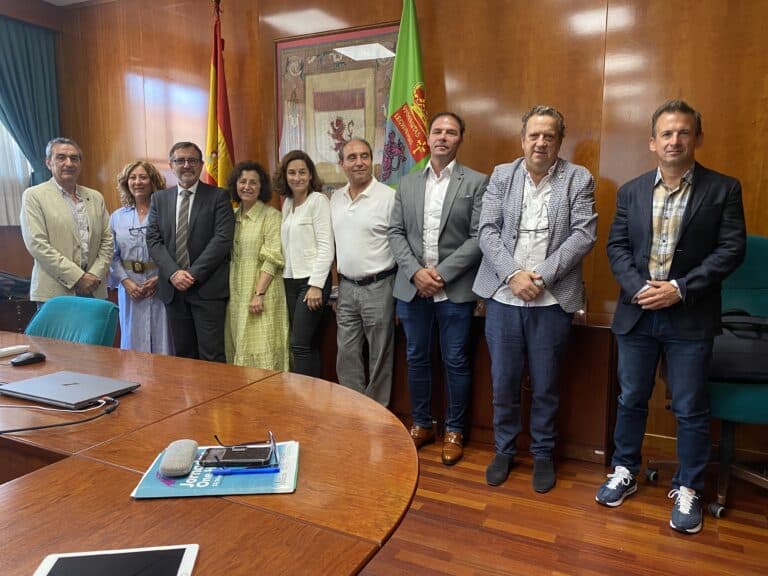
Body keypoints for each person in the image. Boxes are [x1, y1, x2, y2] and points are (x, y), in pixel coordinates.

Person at [596, 100, 746, 534]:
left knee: (690, 407)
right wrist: (639, 288)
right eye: (666, 133)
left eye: (683, 132)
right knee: (630, 398)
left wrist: (679, 289)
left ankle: (689, 487)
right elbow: (617, 248)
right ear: (652, 142)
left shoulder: (724, 189)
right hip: (638, 313)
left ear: (697, 139)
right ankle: (624, 469)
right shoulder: (631, 190)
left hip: (690, 316)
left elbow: (730, 250)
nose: (674, 140)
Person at [473, 105, 597, 493]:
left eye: (549, 136)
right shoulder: (501, 176)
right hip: (503, 298)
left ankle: (543, 453)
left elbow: (583, 235)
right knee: (504, 381)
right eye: (534, 135)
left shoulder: (579, 178)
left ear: (560, 140)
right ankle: (504, 450)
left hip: (552, 299)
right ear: (522, 138)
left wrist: (539, 277)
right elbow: (487, 230)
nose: (540, 142)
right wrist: (513, 274)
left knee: (546, 384)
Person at [388, 112, 488, 465]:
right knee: (416, 358)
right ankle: (422, 424)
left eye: (451, 132)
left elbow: (479, 237)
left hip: (455, 290)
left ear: (461, 138)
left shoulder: (477, 182)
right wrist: (416, 273)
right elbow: (395, 233)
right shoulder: (407, 183)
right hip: (412, 290)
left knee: (456, 361)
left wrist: (440, 274)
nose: (443, 137)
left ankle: (455, 430)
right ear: (427, 138)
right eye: (437, 131)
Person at [146, 141, 234, 362]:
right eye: (180, 160)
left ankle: (215, 397)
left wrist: (192, 274)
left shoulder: (219, 196)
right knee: (183, 356)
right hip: (174, 291)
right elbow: (154, 240)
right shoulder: (159, 199)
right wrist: (174, 273)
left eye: (192, 160)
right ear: (171, 165)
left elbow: (222, 240)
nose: (186, 165)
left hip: (207, 289)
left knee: (211, 355)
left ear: (202, 164)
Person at [331, 138, 397, 406]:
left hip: (379, 286)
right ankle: (354, 410)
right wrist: (335, 288)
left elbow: (401, 245)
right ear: (342, 164)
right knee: (346, 354)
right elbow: (333, 246)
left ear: (373, 160)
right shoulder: (335, 198)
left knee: (380, 357)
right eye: (352, 157)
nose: (359, 162)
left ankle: (378, 414)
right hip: (346, 289)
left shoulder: (389, 197)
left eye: (365, 156)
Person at [20, 137, 112, 302]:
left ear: (80, 164)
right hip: (54, 293)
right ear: (48, 162)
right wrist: (78, 277)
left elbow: (107, 241)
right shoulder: (34, 196)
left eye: (74, 158)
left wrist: (94, 275)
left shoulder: (95, 197)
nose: (69, 163)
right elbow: (37, 244)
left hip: (94, 289)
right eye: (61, 157)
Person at [225, 161, 290, 370]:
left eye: (253, 182)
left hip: (263, 292)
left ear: (261, 187)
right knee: (238, 346)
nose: (247, 186)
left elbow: (273, 258)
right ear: (235, 185)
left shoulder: (271, 216)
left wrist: (259, 293)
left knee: (263, 347)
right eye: (242, 181)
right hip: (236, 293)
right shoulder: (231, 217)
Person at [275, 150, 334, 377]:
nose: (297, 177)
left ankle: (306, 402)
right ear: (285, 176)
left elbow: (326, 246)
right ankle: (313, 400)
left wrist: (316, 284)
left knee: (299, 344)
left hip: (311, 282)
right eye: (291, 172)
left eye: (302, 172)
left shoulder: (318, 201)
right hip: (290, 280)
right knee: (306, 345)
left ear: (310, 176)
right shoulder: (287, 203)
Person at [109, 161, 173, 354]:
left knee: (164, 337)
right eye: (133, 178)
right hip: (130, 286)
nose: (138, 182)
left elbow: (175, 250)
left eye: (143, 177)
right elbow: (110, 255)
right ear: (126, 183)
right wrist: (125, 281)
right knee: (133, 337)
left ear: (153, 181)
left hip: (159, 283)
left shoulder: (166, 214)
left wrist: (161, 277)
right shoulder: (117, 217)